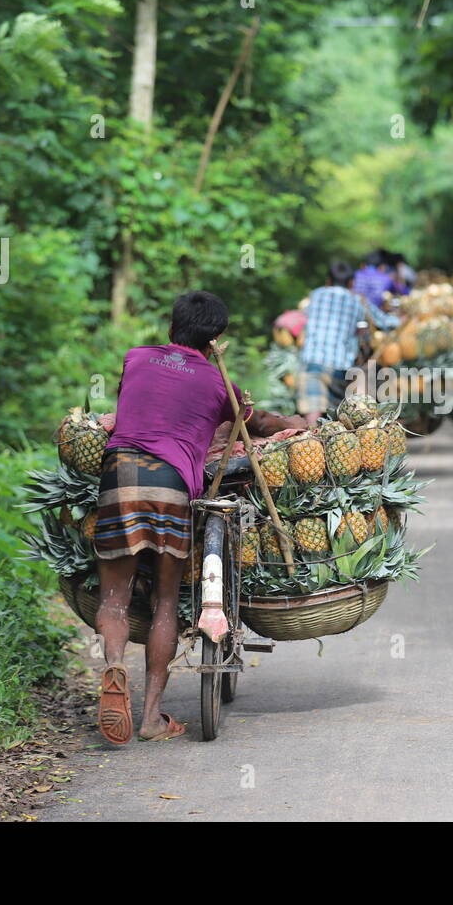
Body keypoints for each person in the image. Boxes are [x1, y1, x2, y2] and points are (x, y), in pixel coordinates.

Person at [92, 291, 296, 744]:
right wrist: (293, 421)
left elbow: (143, 406)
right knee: (167, 600)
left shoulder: (135, 358)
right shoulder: (222, 385)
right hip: (171, 485)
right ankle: (149, 717)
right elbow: (253, 423)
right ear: (217, 339)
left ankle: (112, 665)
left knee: (114, 597)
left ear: (171, 327)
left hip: (119, 474)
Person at [298, 260, 400, 425]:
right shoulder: (358, 301)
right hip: (340, 367)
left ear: (328, 281)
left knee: (313, 407)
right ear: (351, 282)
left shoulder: (315, 295)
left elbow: (302, 316)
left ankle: (311, 438)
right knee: (341, 416)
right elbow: (385, 322)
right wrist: (403, 319)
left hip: (312, 361)